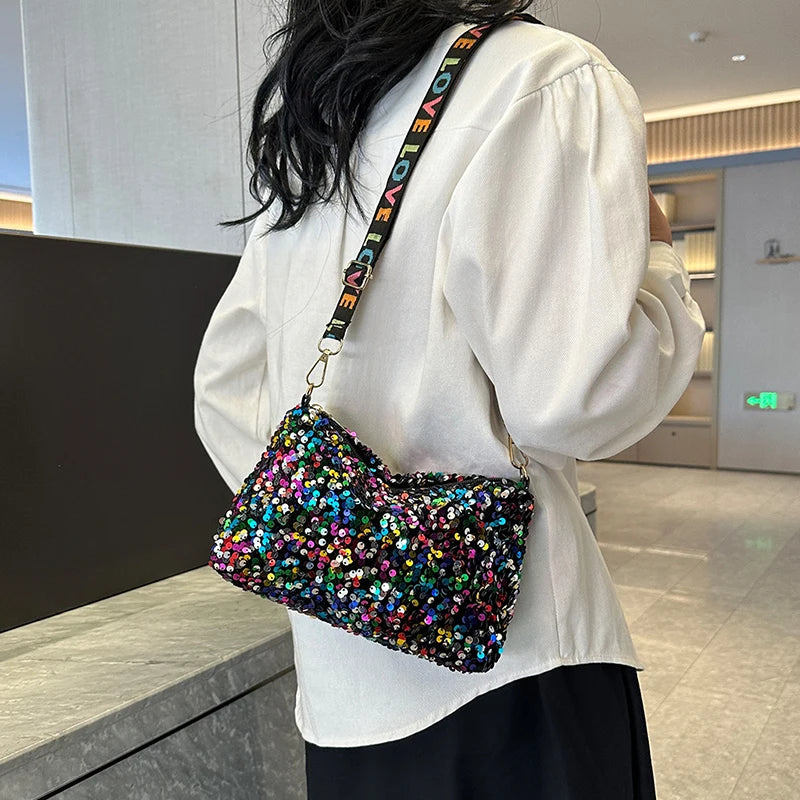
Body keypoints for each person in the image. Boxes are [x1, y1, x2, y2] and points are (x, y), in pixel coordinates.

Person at [193, 2, 706, 798]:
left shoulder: (325, 130)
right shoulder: (541, 75)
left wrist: (361, 539)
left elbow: (226, 390)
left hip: (344, 696)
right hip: (514, 668)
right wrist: (664, 267)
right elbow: (579, 398)